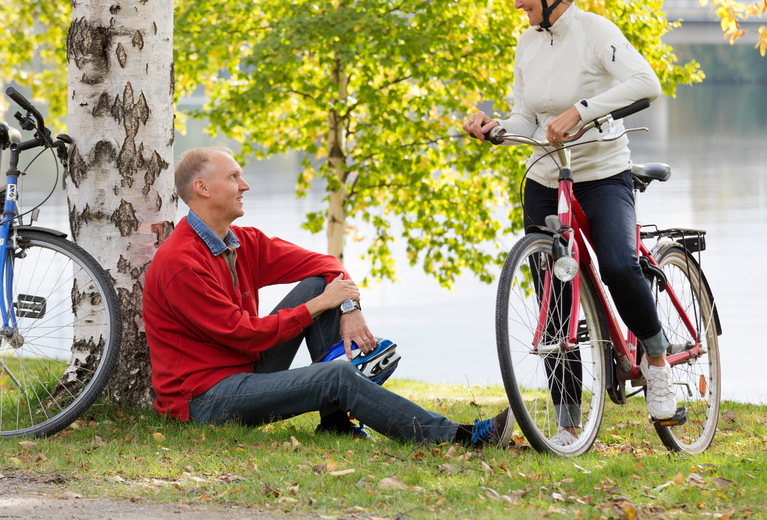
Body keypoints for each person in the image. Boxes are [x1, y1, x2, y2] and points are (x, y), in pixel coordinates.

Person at [142, 145, 514, 447]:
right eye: (234, 177)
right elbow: (242, 333)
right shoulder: (182, 263)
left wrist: (347, 305)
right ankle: (456, 437)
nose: (245, 186)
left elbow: (324, 263)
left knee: (318, 283)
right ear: (203, 189)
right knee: (335, 375)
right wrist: (317, 305)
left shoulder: (242, 241)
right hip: (202, 400)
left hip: (242, 367)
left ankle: (335, 422)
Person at [462, 0, 677, 443]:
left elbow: (646, 83)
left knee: (620, 265)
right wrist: (495, 128)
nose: (516, 1)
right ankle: (567, 421)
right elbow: (524, 113)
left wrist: (581, 112)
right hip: (544, 175)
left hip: (602, 172)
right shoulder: (527, 42)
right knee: (554, 298)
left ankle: (658, 360)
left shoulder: (595, 32)